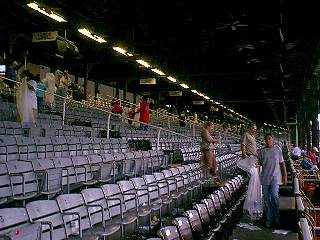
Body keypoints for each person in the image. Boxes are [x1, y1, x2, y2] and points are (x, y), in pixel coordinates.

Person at [258, 133, 287, 228]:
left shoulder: (277, 149)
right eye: (266, 139)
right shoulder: (261, 151)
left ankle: (276, 217)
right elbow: (259, 163)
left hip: (275, 177)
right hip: (265, 178)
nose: (268, 141)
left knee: (274, 197)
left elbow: (282, 164)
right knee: (266, 200)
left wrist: (285, 176)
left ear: (272, 139)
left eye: (269, 139)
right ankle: (269, 219)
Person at [238, 122, 263, 221]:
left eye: (255, 128)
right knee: (253, 179)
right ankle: (250, 202)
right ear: (249, 128)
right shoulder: (246, 135)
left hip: (254, 159)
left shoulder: (252, 136)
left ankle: (254, 201)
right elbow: (243, 145)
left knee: (256, 180)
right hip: (249, 158)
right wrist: (245, 156)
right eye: (253, 128)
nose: (254, 130)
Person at [200, 121, 221, 186]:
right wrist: (217, 139)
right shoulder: (204, 131)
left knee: (214, 164)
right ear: (208, 126)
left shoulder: (207, 132)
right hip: (207, 150)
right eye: (212, 127)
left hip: (210, 149)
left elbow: (211, 140)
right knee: (209, 165)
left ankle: (213, 179)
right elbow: (210, 140)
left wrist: (215, 139)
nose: (212, 129)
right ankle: (207, 180)